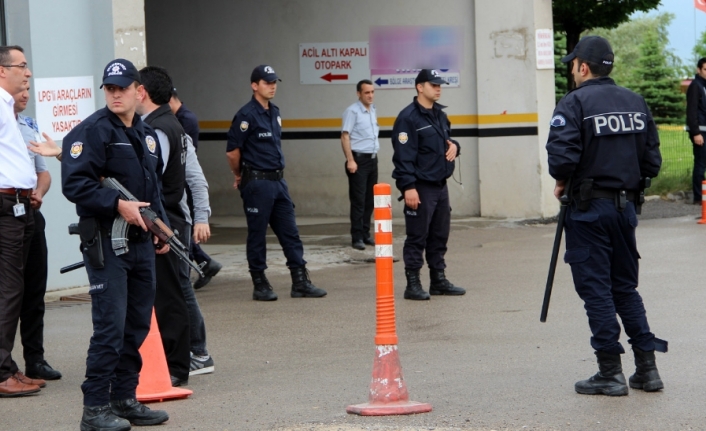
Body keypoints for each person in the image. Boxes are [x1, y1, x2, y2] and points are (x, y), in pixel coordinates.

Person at [546, 36, 666, 396]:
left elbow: (561, 159)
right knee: (625, 288)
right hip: (625, 208)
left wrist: (563, 181)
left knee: (597, 290)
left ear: (583, 66)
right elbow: (652, 162)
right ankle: (647, 369)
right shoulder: (635, 102)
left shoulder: (574, 102)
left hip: (588, 211)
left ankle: (609, 371)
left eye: (573, 64)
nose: (571, 70)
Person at [62, 58, 169, 430]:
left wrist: (163, 230)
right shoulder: (91, 132)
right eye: (109, 88)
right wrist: (118, 204)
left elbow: (151, 189)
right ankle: (94, 410)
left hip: (140, 242)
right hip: (107, 243)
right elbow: (75, 185)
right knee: (110, 326)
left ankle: (124, 398)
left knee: (136, 324)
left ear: (139, 92)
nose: (115, 94)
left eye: (122, 88)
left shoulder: (146, 133)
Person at [138, 66, 215, 383]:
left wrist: (200, 217)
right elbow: (194, 178)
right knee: (178, 289)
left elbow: (158, 182)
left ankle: (195, 353)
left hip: (167, 223)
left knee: (176, 291)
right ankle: (194, 351)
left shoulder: (159, 130)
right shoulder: (173, 126)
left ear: (141, 91)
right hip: (174, 222)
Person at [226, 65, 326, 301]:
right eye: (267, 82)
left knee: (290, 233)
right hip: (257, 182)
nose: (272, 86)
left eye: (274, 82)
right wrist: (239, 176)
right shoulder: (246, 115)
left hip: (278, 182)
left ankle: (300, 281)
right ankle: (260, 284)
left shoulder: (275, 112)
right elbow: (232, 152)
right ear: (254, 85)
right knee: (258, 235)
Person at [391, 69, 466, 301]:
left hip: (440, 186)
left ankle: (438, 280)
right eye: (433, 84)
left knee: (439, 235)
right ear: (419, 87)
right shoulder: (408, 118)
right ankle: (413, 284)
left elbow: (446, 141)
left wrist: (455, 145)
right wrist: (408, 187)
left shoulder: (439, 115)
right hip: (420, 186)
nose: (438, 88)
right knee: (417, 236)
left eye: (439, 84)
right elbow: (403, 156)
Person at [0, 45, 43, 398]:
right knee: (9, 290)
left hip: (19, 205)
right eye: (21, 66)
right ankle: (1, 372)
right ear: (2, 71)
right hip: (5, 205)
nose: (27, 73)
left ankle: (8, 366)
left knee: (15, 289)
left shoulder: (7, 107)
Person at [14, 87, 62, 382]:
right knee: (8, 293)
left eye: (28, 89)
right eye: (20, 88)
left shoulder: (29, 124)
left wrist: (39, 193)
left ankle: (35, 358)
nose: (25, 93)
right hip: (7, 215)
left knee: (34, 292)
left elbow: (43, 173)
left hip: (31, 215)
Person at [169, 89, 222, 289]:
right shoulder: (179, 118)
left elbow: (185, 158)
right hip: (182, 182)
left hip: (184, 183)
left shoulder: (185, 119)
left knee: (183, 228)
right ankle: (203, 263)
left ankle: (202, 263)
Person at [341, 79, 379, 250]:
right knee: (358, 201)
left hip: (372, 160)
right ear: (359, 93)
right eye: (366, 92)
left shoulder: (372, 111)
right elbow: (345, 136)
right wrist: (350, 160)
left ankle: (365, 234)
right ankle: (357, 237)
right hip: (358, 161)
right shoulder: (352, 111)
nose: (370, 95)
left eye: (372, 92)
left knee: (370, 200)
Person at [686, 57, 706, 205]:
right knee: (700, 163)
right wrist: (695, 133)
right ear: (698, 70)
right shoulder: (695, 86)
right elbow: (691, 111)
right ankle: (699, 197)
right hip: (700, 132)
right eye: (705, 70)